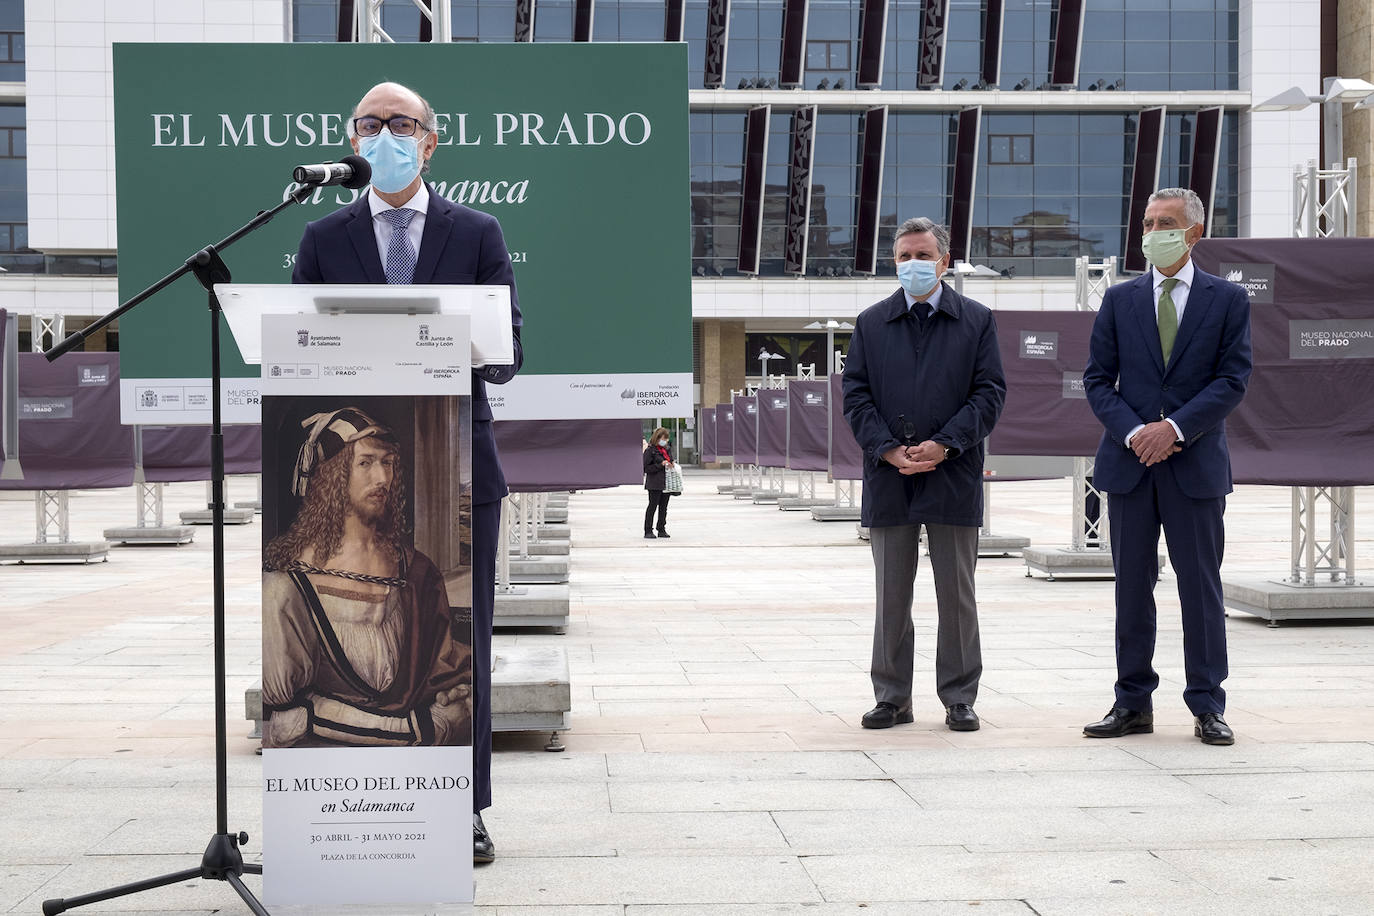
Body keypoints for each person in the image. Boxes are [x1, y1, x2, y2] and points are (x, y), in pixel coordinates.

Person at [292, 81, 522, 862]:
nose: (384, 134)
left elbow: (509, 354)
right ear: (352, 141)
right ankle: (343, 805)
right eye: (369, 123)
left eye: (400, 124)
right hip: (353, 468)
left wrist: (449, 340)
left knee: (458, 642)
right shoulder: (323, 238)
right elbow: (301, 351)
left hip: (457, 463)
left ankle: (465, 808)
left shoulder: (479, 232)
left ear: (430, 141)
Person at [1081, 187, 1251, 746]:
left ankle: (1207, 704)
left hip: (1194, 463)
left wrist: (1173, 428)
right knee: (1132, 588)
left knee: (1200, 589)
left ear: (1193, 232)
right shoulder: (1120, 299)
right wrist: (1135, 432)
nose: (1153, 231)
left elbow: (1232, 380)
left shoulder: (1227, 300)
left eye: (1166, 222)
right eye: (1149, 221)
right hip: (1130, 466)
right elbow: (1097, 381)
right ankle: (1132, 702)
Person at [842, 217, 1006, 732]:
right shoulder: (871, 323)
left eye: (921, 255)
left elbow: (989, 393)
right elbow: (855, 396)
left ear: (943, 259)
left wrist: (946, 443)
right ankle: (892, 697)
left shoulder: (977, 320)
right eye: (902, 257)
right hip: (890, 476)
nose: (911, 264)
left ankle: (959, 696)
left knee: (956, 592)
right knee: (892, 591)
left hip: (952, 473)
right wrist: (888, 449)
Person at [262, 407, 472, 748]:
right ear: (332, 476)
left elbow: (440, 662)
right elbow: (288, 717)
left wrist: (455, 690)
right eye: (366, 462)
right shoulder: (289, 586)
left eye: (387, 463)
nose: (382, 478)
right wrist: (425, 729)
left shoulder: (415, 570)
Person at [642, 426, 674, 538]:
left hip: (667, 482)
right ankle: (648, 530)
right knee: (652, 506)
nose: (664, 441)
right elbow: (645, 468)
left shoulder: (667, 449)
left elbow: (671, 460)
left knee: (663, 507)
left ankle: (661, 529)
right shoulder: (650, 450)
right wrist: (659, 465)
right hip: (654, 483)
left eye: (666, 439)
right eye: (663, 439)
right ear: (657, 438)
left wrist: (671, 464)